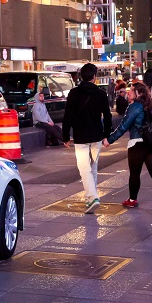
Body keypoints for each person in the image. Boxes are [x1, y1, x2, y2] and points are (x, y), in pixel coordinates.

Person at [103, 82, 152, 211]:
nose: (128, 93)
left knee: (135, 173)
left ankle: (132, 200)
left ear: (139, 93)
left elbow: (124, 126)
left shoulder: (135, 106)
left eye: (132, 91)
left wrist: (109, 140)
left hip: (138, 143)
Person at [62, 63, 112, 214]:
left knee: (84, 168)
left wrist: (65, 136)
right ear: (94, 77)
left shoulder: (74, 93)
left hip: (81, 136)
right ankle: (90, 198)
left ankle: (92, 197)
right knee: (93, 168)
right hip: (96, 135)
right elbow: (108, 116)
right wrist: (106, 135)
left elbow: (68, 117)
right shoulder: (101, 93)